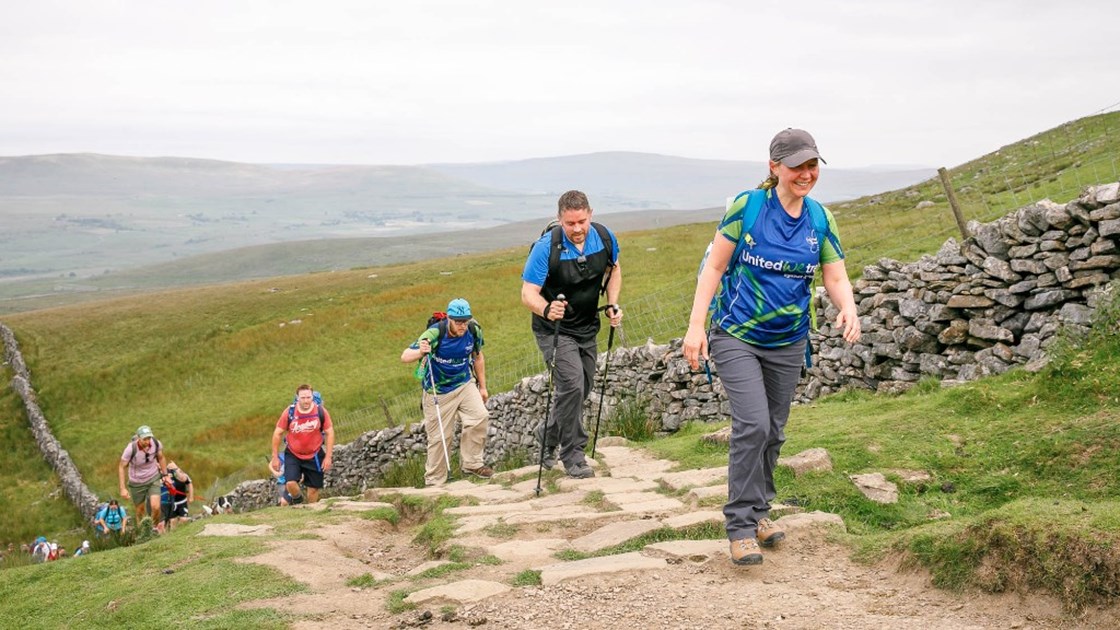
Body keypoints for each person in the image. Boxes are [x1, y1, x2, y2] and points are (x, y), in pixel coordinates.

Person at [683, 128, 861, 567]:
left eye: (812, 165)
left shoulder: (820, 218)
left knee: (775, 430)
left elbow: (835, 275)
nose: (806, 174)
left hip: (788, 339)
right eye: (797, 166)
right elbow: (714, 268)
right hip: (736, 334)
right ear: (774, 167)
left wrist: (848, 307)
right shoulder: (749, 208)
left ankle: (760, 511)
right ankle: (740, 527)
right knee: (754, 424)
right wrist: (696, 326)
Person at [521, 190, 623, 479]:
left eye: (581, 221)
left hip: (587, 326)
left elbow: (614, 270)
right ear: (559, 219)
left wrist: (612, 303)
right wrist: (546, 309)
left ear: (590, 215)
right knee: (573, 386)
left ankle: (548, 434)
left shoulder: (604, 238)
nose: (577, 229)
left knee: (581, 389)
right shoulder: (546, 247)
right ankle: (574, 456)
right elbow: (528, 293)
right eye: (570, 223)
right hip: (554, 330)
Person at [400, 298, 493, 486]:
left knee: (480, 416)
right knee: (440, 437)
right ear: (449, 318)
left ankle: (472, 464)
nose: (462, 325)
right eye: (458, 322)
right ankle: (434, 481)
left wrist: (482, 387)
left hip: (464, 383)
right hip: (438, 391)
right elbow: (405, 356)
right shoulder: (435, 333)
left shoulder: (474, 330)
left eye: (465, 321)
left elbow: (478, 357)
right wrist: (421, 352)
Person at [270, 384, 335, 504]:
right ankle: (297, 499)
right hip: (293, 453)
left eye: (308, 397)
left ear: (312, 397)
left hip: (315, 454)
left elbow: (329, 432)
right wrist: (275, 457)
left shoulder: (320, 411)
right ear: (297, 398)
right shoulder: (289, 412)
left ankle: (311, 511)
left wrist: (328, 457)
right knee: (290, 482)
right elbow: (277, 433)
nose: (306, 401)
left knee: (313, 489)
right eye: (303, 398)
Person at [118, 425, 169, 529]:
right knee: (140, 510)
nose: (147, 441)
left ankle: (153, 529)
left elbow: (161, 458)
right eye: (144, 439)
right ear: (138, 438)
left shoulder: (156, 443)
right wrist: (122, 488)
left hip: (153, 477)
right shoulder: (131, 449)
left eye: (149, 438)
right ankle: (142, 531)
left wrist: (166, 475)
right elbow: (121, 467)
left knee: (156, 507)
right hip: (137, 482)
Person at [160, 462, 194, 530]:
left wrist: (191, 496)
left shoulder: (176, 472)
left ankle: (191, 522)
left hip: (182, 501)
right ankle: (174, 533)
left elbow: (188, 482)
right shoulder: (160, 475)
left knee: (183, 519)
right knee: (173, 521)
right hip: (171, 503)